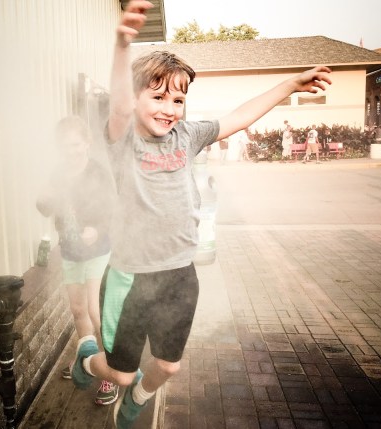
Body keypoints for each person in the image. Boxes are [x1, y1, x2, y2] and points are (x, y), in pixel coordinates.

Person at [70, 2, 332, 428]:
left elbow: (239, 117)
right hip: (130, 278)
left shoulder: (187, 136)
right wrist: (121, 45)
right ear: (135, 98)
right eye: (157, 97)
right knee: (120, 371)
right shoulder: (125, 139)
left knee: (168, 367)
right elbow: (117, 106)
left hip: (179, 274)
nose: (169, 108)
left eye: (177, 99)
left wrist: (290, 84)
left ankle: (138, 397)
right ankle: (87, 362)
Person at [35, 116, 119, 405]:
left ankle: (111, 372)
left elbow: (112, 209)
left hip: (97, 250)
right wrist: (43, 197)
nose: (70, 151)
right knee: (77, 309)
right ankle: (87, 360)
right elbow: (46, 207)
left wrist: (98, 229)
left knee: (95, 310)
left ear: (87, 143)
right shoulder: (58, 172)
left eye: (75, 144)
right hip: (70, 251)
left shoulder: (98, 172)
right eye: (64, 145)